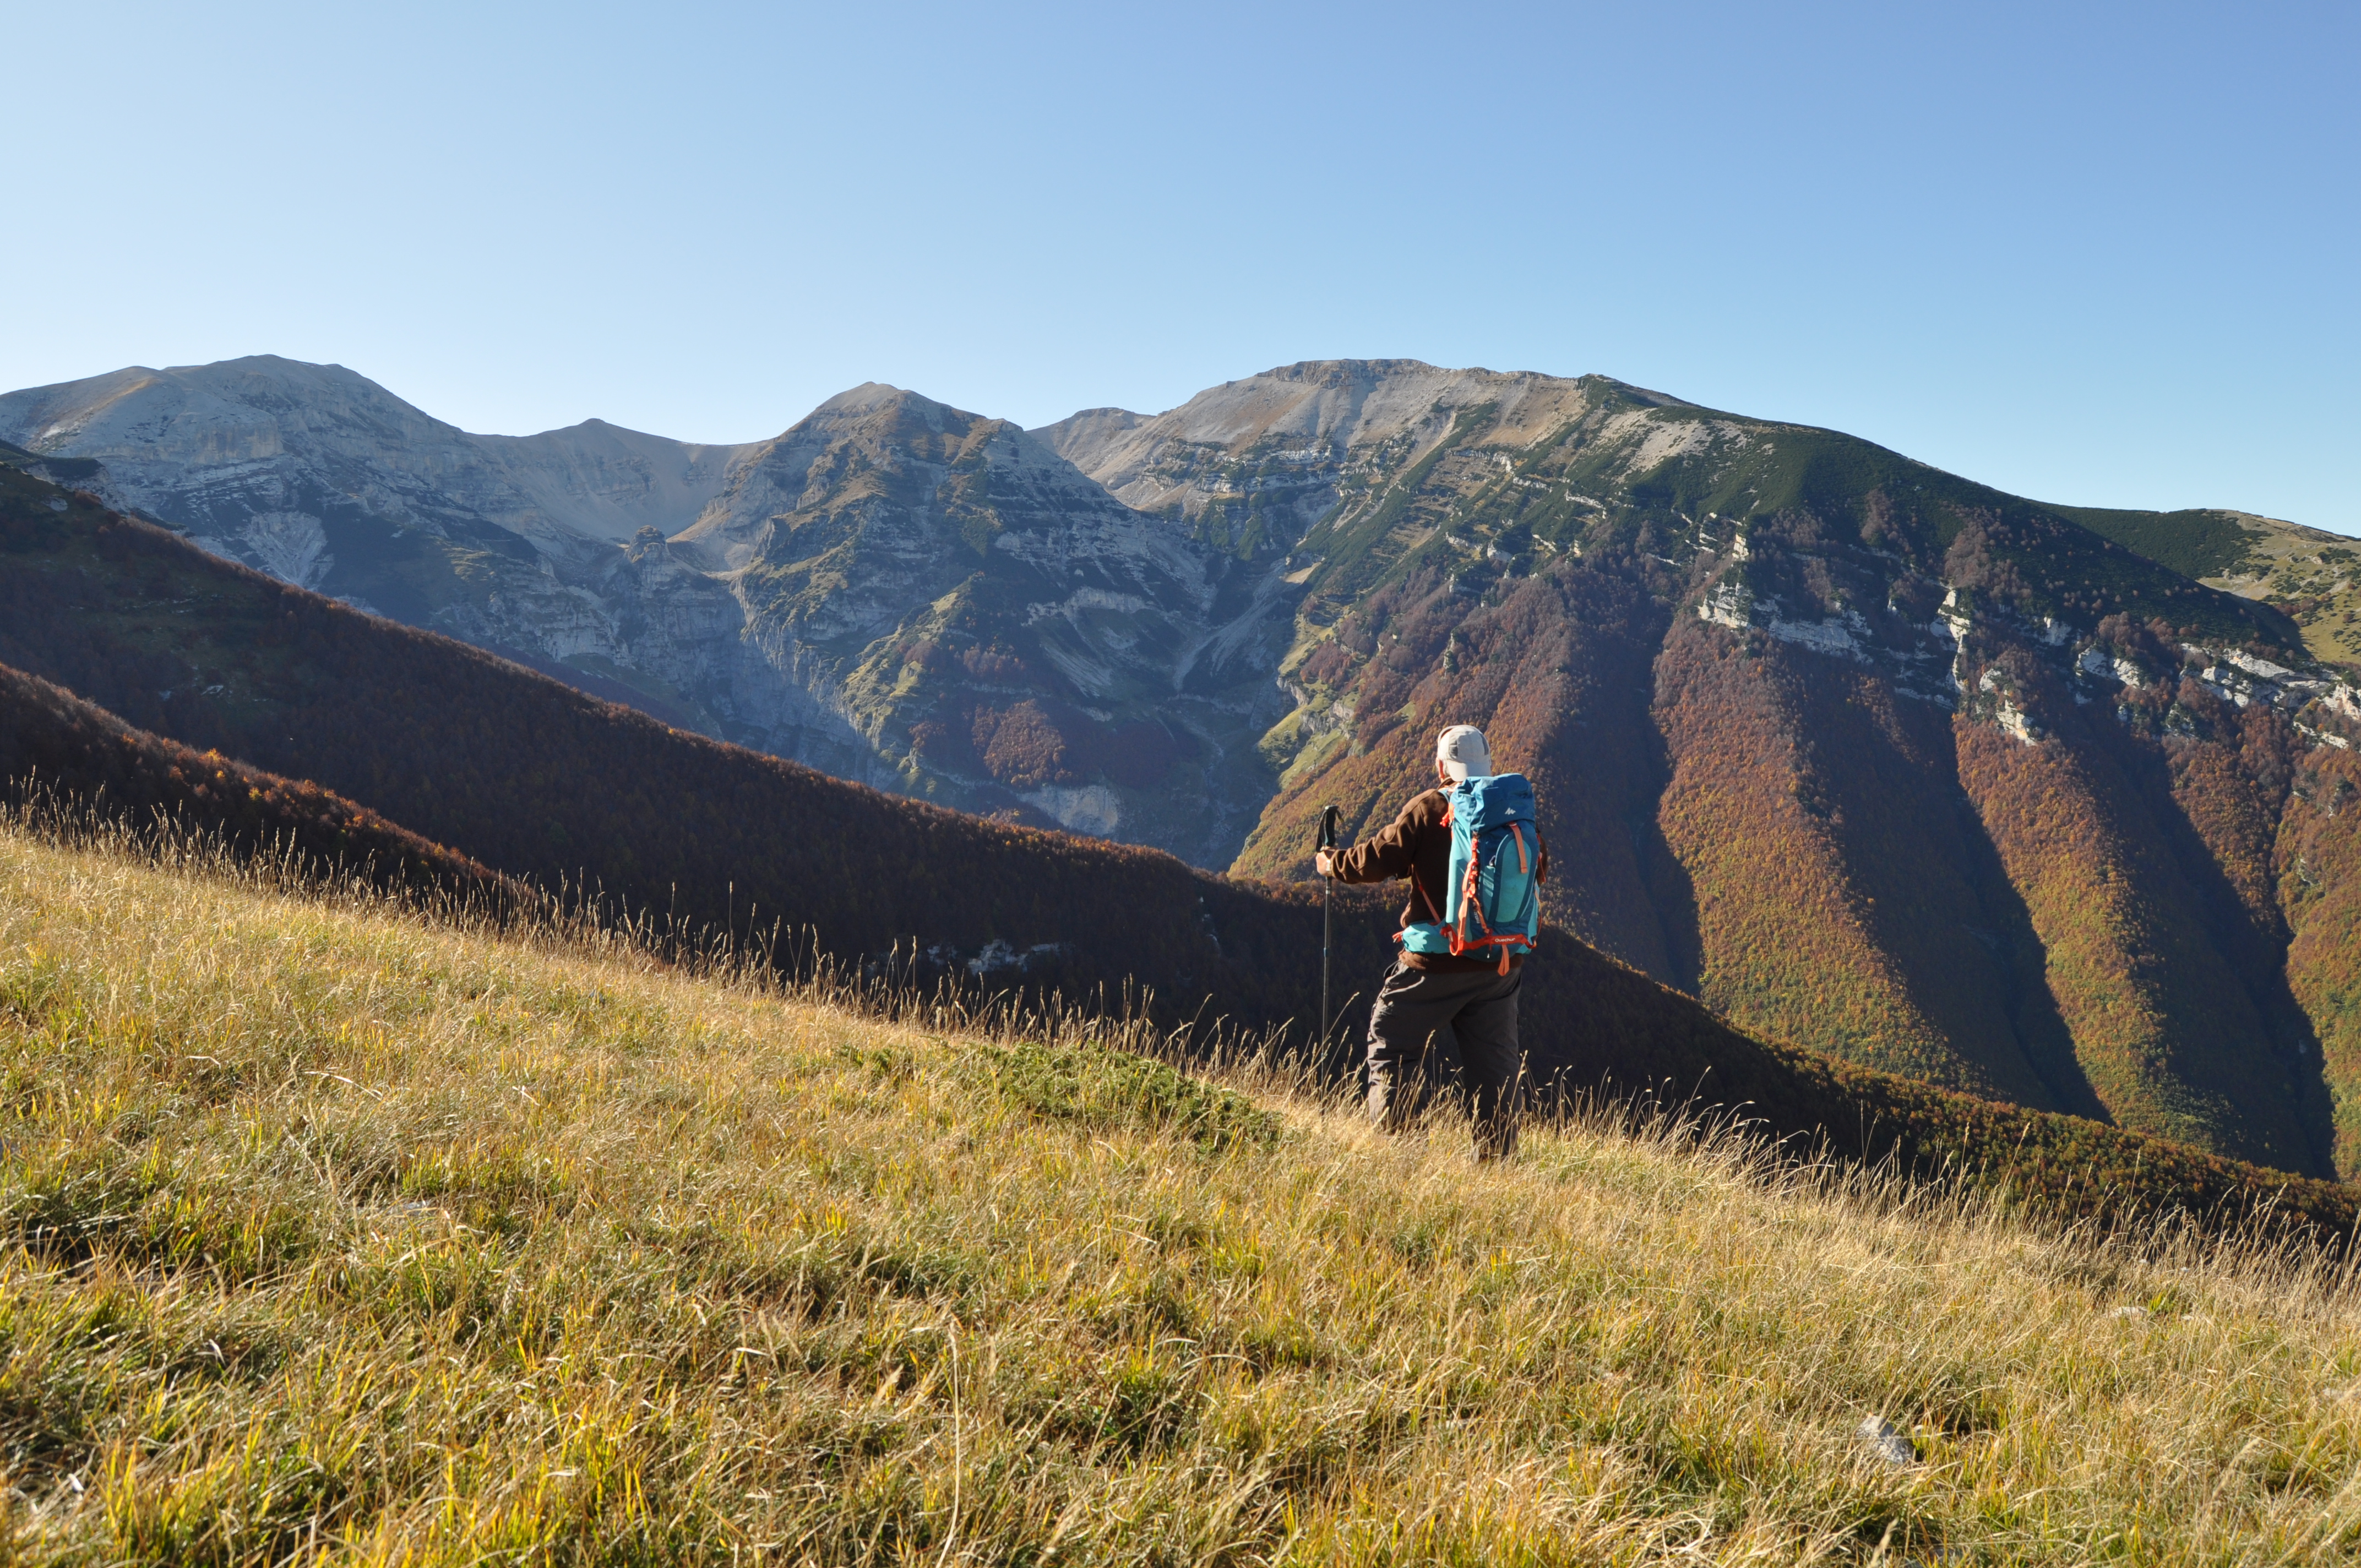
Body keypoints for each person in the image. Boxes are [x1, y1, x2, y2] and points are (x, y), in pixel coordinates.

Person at [1315, 725, 1544, 1159]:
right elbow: (1537, 869)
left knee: (1393, 1044)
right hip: (1500, 962)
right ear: (1487, 765)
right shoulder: (1511, 810)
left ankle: (1401, 1157)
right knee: (1495, 1067)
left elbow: (1376, 860)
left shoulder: (1430, 808)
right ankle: (1497, 1164)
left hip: (1434, 964)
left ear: (1441, 767)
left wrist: (1331, 864)